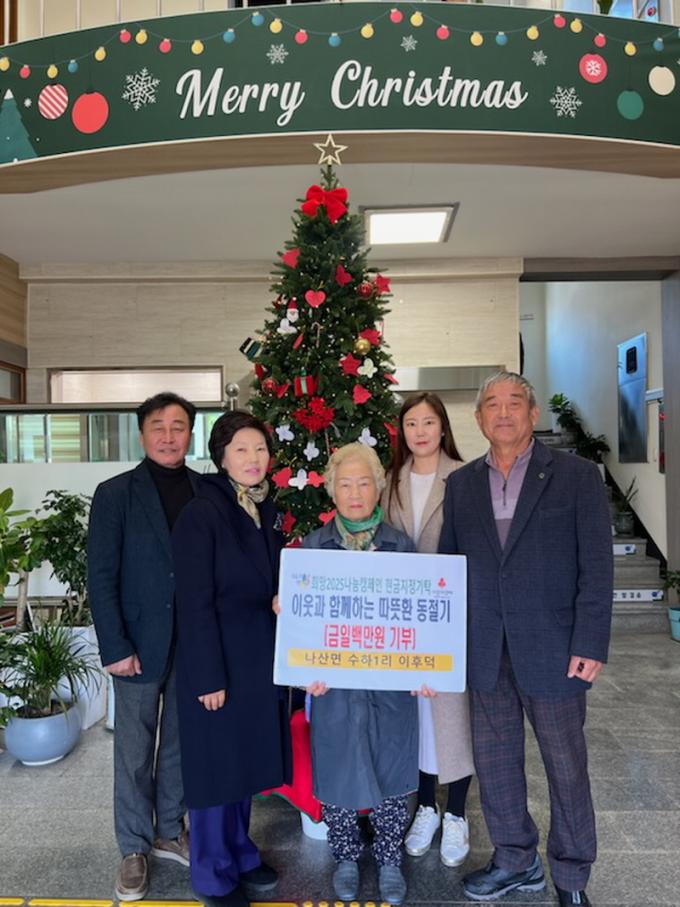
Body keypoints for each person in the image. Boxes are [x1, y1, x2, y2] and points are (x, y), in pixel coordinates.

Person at [439, 371, 613, 907]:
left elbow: (597, 565)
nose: (503, 412)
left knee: (566, 766)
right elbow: (449, 571)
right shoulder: (462, 484)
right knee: (495, 766)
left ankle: (572, 875)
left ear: (533, 414)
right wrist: (444, 648)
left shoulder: (576, 476)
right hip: (485, 649)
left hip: (555, 648)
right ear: (478, 419)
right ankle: (515, 860)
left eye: (514, 402)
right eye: (492, 404)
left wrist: (590, 642)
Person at [171, 410, 292, 907]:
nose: (253, 457)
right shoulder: (202, 513)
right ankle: (211, 874)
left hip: (255, 658)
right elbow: (193, 601)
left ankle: (240, 853)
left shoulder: (262, 507)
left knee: (241, 765)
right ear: (221, 457)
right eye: (241, 449)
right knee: (216, 773)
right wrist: (207, 676)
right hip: (216, 662)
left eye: (260, 448)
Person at [88, 392, 199, 901]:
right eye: (159, 426)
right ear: (142, 434)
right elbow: (101, 574)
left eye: (179, 426)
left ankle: (169, 830)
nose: (168, 436)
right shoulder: (115, 494)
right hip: (135, 642)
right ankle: (133, 846)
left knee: (179, 743)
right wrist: (114, 644)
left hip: (192, 641)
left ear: (190, 434)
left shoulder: (205, 490)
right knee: (133, 749)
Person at [301, 442, 421, 907]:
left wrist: (428, 665)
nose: (355, 493)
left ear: (378, 487)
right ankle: (346, 857)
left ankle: (389, 858)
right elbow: (303, 624)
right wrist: (304, 670)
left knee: (391, 762)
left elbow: (420, 619)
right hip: (334, 686)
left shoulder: (400, 546)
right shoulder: (314, 546)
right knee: (337, 765)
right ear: (332, 490)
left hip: (389, 684)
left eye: (364, 483)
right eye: (345, 484)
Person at [383, 392, 475, 868]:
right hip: (403, 619)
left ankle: (456, 812)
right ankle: (425, 807)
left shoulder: (464, 477)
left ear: (443, 428)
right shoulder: (390, 481)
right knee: (416, 716)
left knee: (452, 713)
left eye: (428, 422)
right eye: (411, 423)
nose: (420, 432)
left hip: (449, 616)